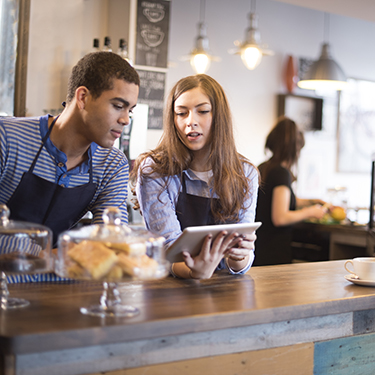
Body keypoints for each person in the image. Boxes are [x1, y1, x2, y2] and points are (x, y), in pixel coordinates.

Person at [0, 51, 140, 282]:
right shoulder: (7, 138)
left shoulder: (112, 165)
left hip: (60, 291)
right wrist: (66, 254)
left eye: (130, 110)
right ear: (83, 97)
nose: (125, 119)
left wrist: (47, 258)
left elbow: (112, 243)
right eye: (118, 106)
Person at [131, 74, 259, 280]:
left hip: (223, 290)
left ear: (219, 117)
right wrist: (194, 272)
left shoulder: (245, 174)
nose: (191, 122)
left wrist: (239, 257)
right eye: (181, 113)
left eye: (203, 111)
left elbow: (241, 262)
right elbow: (167, 251)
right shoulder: (154, 170)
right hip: (167, 287)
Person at [254, 117, 327, 266]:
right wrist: (310, 212)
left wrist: (313, 201)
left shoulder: (264, 168)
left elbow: (278, 201)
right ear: (294, 148)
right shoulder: (281, 173)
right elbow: (280, 217)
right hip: (273, 254)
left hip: (259, 250)